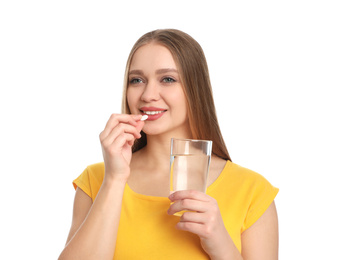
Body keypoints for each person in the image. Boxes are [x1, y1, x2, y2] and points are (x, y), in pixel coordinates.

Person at [58, 29, 279, 260]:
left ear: (195, 89)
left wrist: (221, 246)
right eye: (137, 80)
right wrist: (114, 179)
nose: (148, 94)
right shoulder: (96, 181)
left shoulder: (252, 190)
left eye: (168, 79)